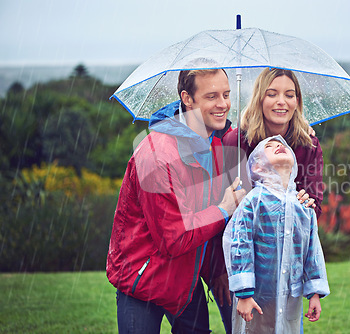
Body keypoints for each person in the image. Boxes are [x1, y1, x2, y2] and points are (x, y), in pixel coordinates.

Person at [106, 66, 246, 333]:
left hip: (185, 281)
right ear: (187, 98)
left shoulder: (216, 146)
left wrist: (216, 269)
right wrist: (225, 208)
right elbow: (174, 237)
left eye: (226, 94)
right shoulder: (157, 156)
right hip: (144, 281)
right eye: (212, 96)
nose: (223, 104)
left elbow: (206, 222)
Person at [223, 135, 330, 334]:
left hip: (291, 296)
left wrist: (314, 292)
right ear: (257, 168)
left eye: (282, 145)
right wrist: (244, 293)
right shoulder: (252, 202)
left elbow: (312, 250)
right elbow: (239, 245)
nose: (278, 146)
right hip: (258, 296)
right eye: (269, 147)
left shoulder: (303, 206)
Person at [223, 68, 324, 219]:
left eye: (289, 95)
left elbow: (314, 209)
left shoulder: (309, 146)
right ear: (260, 98)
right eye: (271, 94)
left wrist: (306, 204)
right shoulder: (236, 142)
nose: (281, 102)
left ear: (296, 102)